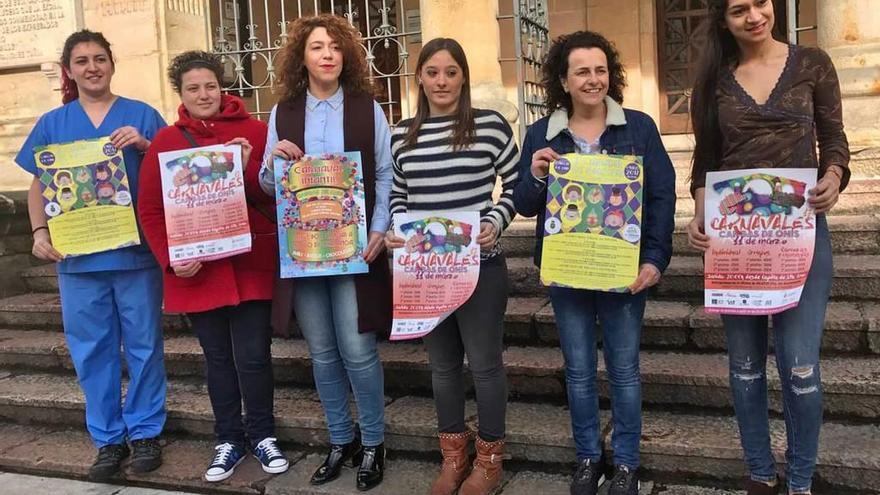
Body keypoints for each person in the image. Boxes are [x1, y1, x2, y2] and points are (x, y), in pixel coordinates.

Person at [686, 2, 849, 494]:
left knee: (801, 366)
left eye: (760, 3)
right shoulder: (713, 80)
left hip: (801, 233)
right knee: (745, 367)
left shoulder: (813, 63)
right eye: (739, 9)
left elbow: (835, 139)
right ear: (723, 19)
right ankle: (760, 473)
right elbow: (705, 160)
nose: (754, 15)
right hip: (736, 241)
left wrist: (834, 177)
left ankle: (800, 480)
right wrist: (699, 210)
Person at [512, 30, 676, 495]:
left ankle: (626, 463)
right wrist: (538, 174)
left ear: (612, 75)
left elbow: (662, 197)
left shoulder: (639, 128)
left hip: (622, 271)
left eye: (601, 70)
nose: (593, 79)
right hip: (567, 270)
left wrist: (656, 260)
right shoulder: (542, 134)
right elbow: (525, 205)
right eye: (582, 71)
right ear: (563, 80)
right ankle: (587, 456)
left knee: (624, 369)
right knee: (579, 368)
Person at [15, 30, 167, 480]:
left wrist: (144, 144)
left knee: (144, 346)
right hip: (78, 260)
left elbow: (174, 171)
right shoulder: (52, 123)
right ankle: (107, 439)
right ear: (69, 70)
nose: (92, 67)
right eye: (81, 61)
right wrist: (39, 231)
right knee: (91, 351)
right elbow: (38, 185)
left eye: (100, 58)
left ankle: (144, 432)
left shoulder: (142, 116)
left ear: (112, 63)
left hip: (136, 254)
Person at [137, 51, 288, 483]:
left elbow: (274, 199)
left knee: (255, 357)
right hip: (198, 273)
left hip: (249, 266)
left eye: (210, 86)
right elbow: (150, 209)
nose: (203, 95)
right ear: (180, 94)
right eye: (192, 88)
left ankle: (262, 434)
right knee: (218, 359)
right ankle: (228, 438)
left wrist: (246, 169)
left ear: (223, 87)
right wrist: (171, 258)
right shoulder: (167, 141)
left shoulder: (256, 132)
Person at [257, 14, 393, 491]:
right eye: (317, 47)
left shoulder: (366, 107)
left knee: (357, 351)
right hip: (304, 252)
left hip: (355, 250)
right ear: (303, 57)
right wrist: (272, 163)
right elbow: (270, 187)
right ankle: (341, 439)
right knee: (321, 354)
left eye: (335, 46)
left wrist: (379, 229)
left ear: (346, 55)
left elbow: (384, 174)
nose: (328, 54)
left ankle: (374, 441)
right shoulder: (283, 112)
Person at [384, 38, 520, 495]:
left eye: (451, 72)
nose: (441, 81)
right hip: (425, 271)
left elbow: (518, 187)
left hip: (480, 266)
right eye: (432, 72)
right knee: (442, 367)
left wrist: (495, 222)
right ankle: (453, 458)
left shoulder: (492, 127)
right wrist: (396, 230)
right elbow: (399, 194)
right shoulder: (401, 134)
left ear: (463, 76)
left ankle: (490, 460)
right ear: (419, 78)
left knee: (484, 365)